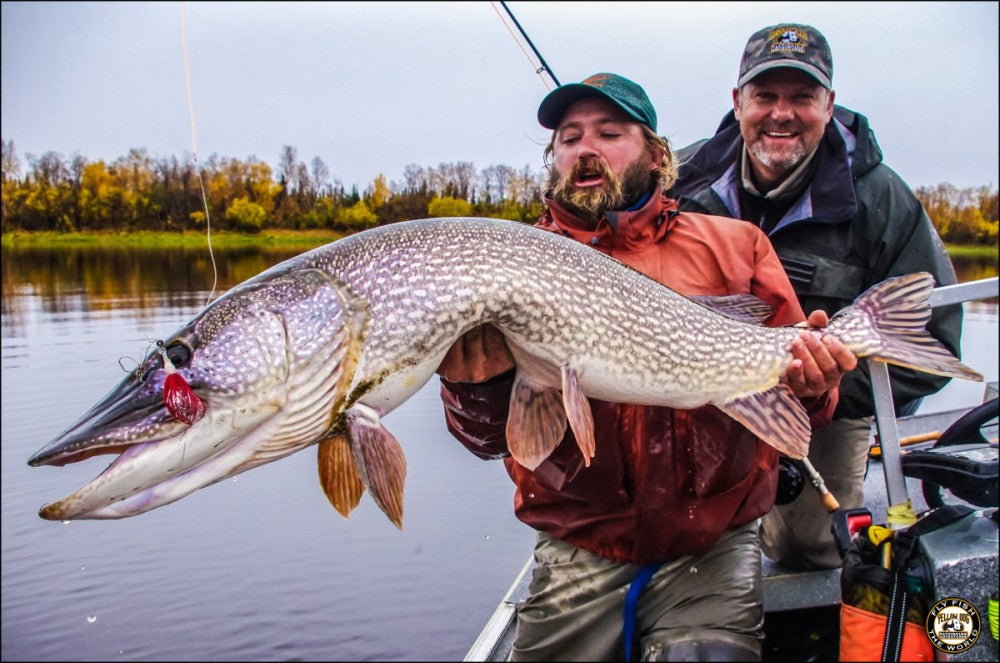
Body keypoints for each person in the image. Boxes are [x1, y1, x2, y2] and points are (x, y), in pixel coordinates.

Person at [436, 73, 855, 661]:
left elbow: (805, 406)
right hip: (579, 544)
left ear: (656, 154)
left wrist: (815, 383)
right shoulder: (512, 263)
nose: (586, 149)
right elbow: (486, 441)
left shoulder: (735, 245)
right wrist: (473, 384)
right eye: (569, 137)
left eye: (610, 133)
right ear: (553, 158)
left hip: (713, 541)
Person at [669, 23, 964, 570]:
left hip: (824, 394)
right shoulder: (679, 180)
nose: (782, 113)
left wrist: (821, 390)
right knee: (681, 537)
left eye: (802, 97)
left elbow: (934, 332)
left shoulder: (880, 196)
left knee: (807, 546)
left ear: (829, 105)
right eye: (765, 96)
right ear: (738, 102)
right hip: (693, 383)